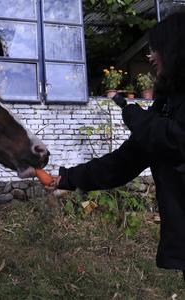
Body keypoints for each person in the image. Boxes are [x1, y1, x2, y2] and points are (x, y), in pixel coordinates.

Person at [49, 12, 185, 279]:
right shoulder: (167, 103)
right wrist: (67, 177)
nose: (150, 57)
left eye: (156, 49)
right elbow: (124, 162)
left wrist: (139, 119)